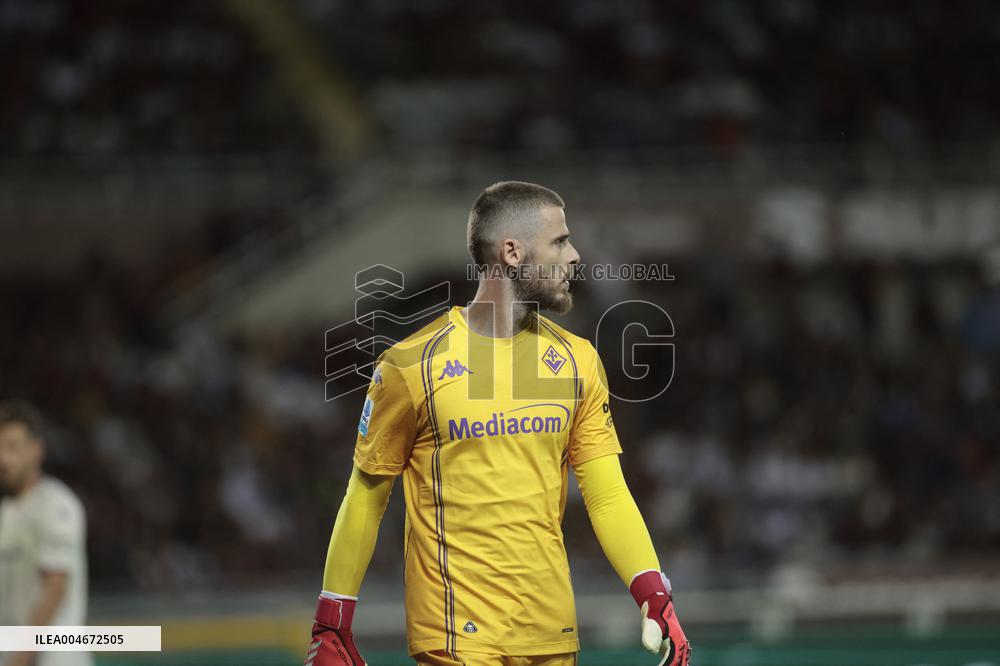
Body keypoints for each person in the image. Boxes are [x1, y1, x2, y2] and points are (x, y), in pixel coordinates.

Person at [304, 182, 690, 666]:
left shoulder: (578, 361)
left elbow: (607, 495)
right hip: (457, 637)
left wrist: (654, 593)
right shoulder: (410, 367)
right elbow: (365, 496)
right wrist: (332, 620)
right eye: (559, 241)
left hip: (553, 635)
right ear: (512, 251)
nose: (574, 256)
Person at [0, 401, 92, 666]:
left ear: (36, 451)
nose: (3, 458)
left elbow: (55, 585)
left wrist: (21, 656)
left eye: (12, 447)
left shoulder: (56, 504)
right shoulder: (7, 510)